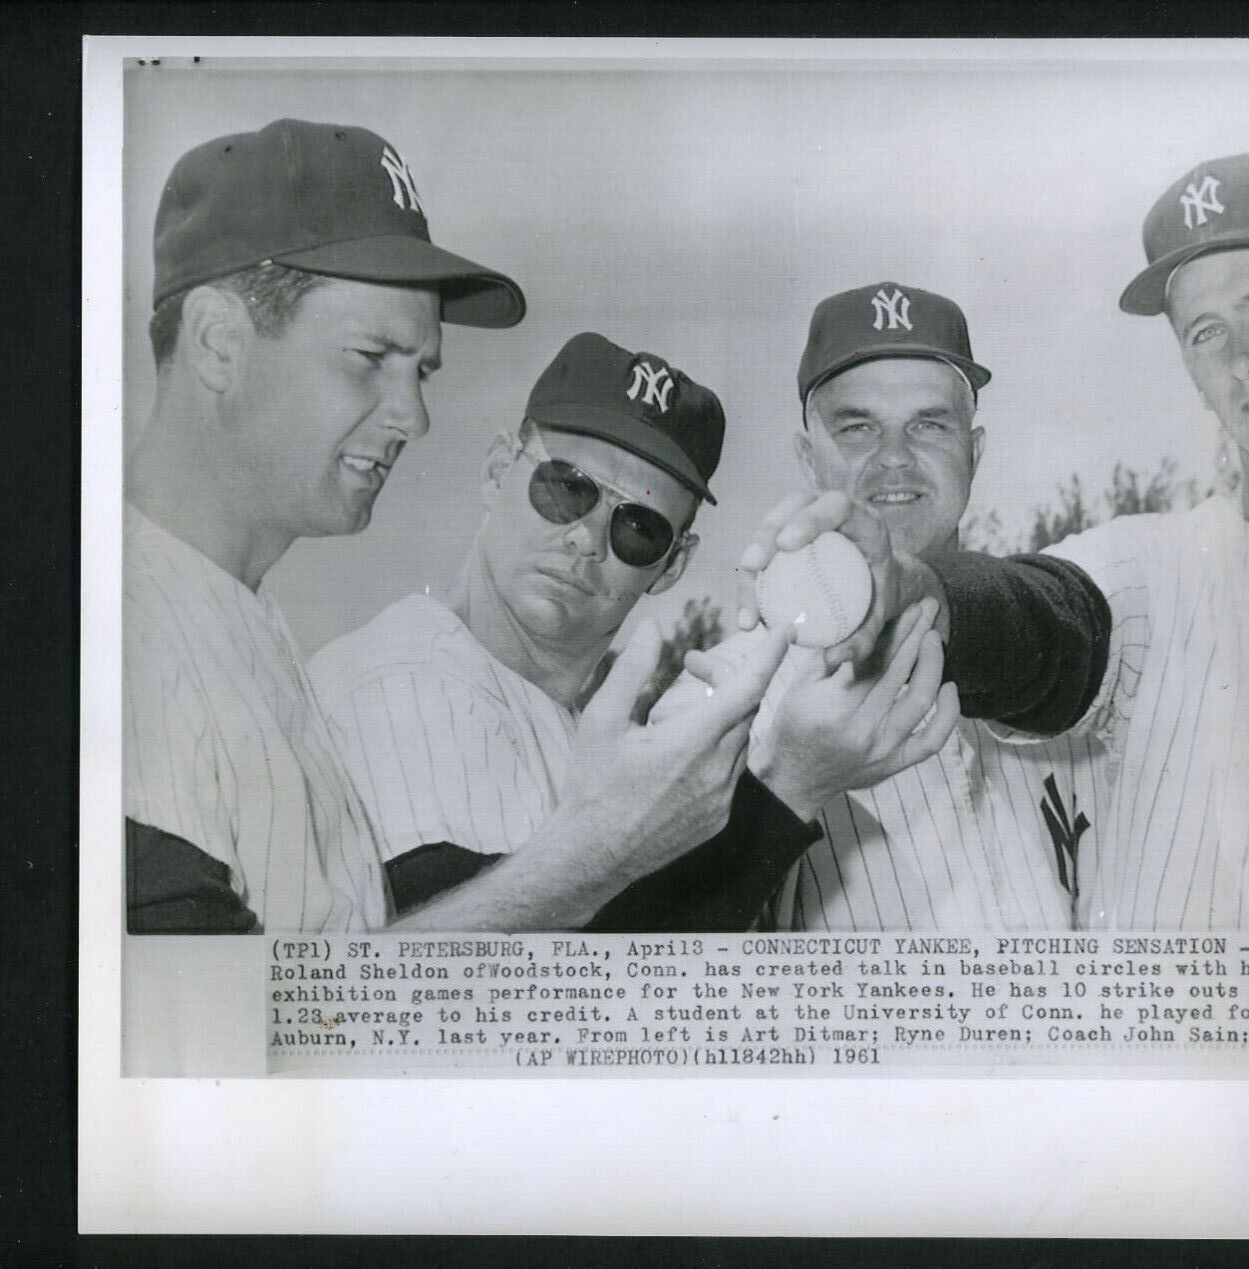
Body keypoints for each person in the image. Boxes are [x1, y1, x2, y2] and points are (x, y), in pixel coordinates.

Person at [748, 154, 1249, 932]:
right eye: (1206, 330)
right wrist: (917, 593)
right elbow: (1051, 617)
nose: (1241, 356)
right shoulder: (1149, 565)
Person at [123, 119, 786, 934]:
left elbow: (301, 1014)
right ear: (220, 344)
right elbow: (210, 1043)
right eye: (370, 358)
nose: (414, 416)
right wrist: (612, 847)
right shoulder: (112, 627)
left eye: (422, 370)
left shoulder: (241, 625)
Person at [309, 332, 957, 931]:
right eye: (566, 488)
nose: (586, 538)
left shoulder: (555, 714)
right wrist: (788, 785)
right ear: (498, 469)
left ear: (672, 564)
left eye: (638, 526)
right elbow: (509, 1009)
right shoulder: (410, 676)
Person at [712, 283, 1109, 932]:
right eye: (858, 426)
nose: (894, 457)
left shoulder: (1063, 665)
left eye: (928, 424)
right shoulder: (726, 692)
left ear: (974, 452)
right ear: (808, 461)